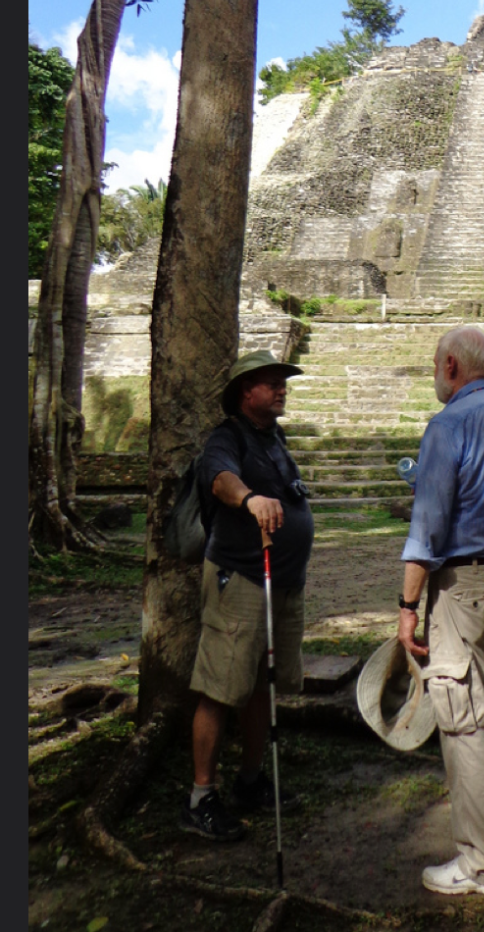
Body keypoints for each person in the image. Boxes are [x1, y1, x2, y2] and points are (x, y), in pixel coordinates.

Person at [397, 326, 484, 899]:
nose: (436, 371)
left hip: (464, 586)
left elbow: (427, 529)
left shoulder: (449, 423)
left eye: (436, 363)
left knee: (465, 721)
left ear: (451, 365)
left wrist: (408, 605)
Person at [180, 350, 315, 842]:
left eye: (283, 380)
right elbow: (218, 478)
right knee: (220, 686)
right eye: (271, 381)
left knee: (262, 681)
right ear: (245, 392)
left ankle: (251, 779)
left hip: (282, 582)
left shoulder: (274, 438)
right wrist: (250, 499)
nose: (282, 388)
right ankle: (200, 797)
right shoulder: (227, 437)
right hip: (240, 580)